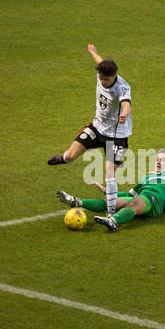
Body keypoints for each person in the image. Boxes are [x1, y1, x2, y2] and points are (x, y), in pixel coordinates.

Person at [56, 149, 165, 232]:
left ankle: (113, 222)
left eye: (162, 160)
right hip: (142, 199)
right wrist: (108, 192)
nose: (158, 162)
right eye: (157, 159)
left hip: (154, 203)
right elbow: (129, 194)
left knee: (135, 202)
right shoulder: (147, 178)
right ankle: (77, 202)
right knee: (115, 202)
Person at [48, 44, 132, 217]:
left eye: (106, 80)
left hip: (116, 137)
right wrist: (93, 52)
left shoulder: (122, 87)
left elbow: (126, 104)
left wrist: (123, 114)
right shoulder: (102, 72)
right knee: (71, 156)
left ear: (114, 76)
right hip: (97, 127)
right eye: (100, 78)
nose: (102, 82)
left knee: (109, 175)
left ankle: (111, 214)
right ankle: (64, 158)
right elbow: (100, 62)